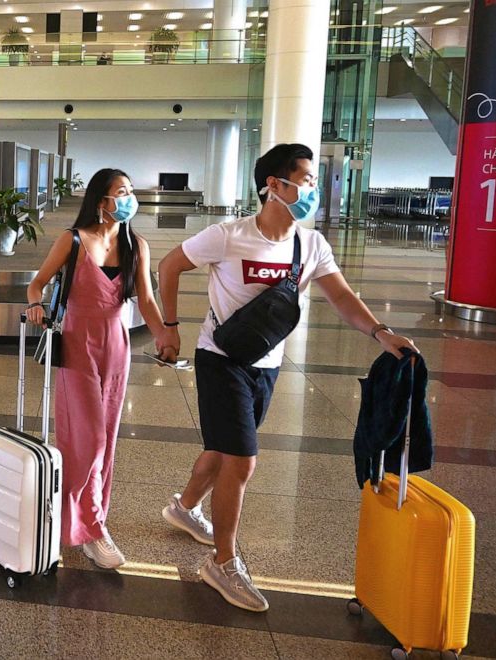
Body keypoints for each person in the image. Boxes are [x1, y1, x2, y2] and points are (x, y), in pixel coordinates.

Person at [156, 143, 418, 612]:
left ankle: (184, 508)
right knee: (242, 461)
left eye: (313, 180)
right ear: (274, 185)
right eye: (306, 179)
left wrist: (381, 332)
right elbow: (168, 265)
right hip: (221, 360)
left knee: (221, 450)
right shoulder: (228, 235)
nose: (312, 188)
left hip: (268, 364)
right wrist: (170, 328)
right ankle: (222, 562)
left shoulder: (310, 244)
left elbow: (340, 296)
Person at [26, 168, 176, 569]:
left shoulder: (136, 245)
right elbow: (37, 283)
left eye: (130, 192)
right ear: (100, 201)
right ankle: (89, 528)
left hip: (116, 348)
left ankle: (90, 522)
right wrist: (37, 303)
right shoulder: (72, 241)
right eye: (121, 192)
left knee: (105, 441)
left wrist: (164, 334)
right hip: (77, 344)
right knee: (87, 438)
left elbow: (145, 300)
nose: (129, 199)